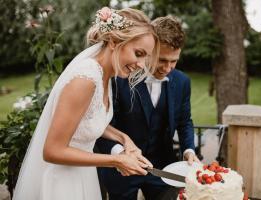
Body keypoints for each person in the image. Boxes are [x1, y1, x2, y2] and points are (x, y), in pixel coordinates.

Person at [12, 7, 160, 200]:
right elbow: (52, 151)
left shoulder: (106, 75)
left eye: (145, 57)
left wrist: (125, 139)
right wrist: (117, 160)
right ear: (114, 42)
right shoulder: (86, 78)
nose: (141, 64)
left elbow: (88, 120)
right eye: (138, 53)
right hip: (63, 182)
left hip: (81, 174)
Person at [96, 16, 200, 200]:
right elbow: (101, 126)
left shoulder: (183, 81)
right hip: (121, 171)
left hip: (163, 169)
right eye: (162, 60)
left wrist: (189, 150)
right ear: (149, 50)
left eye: (174, 61)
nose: (168, 68)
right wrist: (119, 155)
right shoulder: (118, 78)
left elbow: (185, 122)